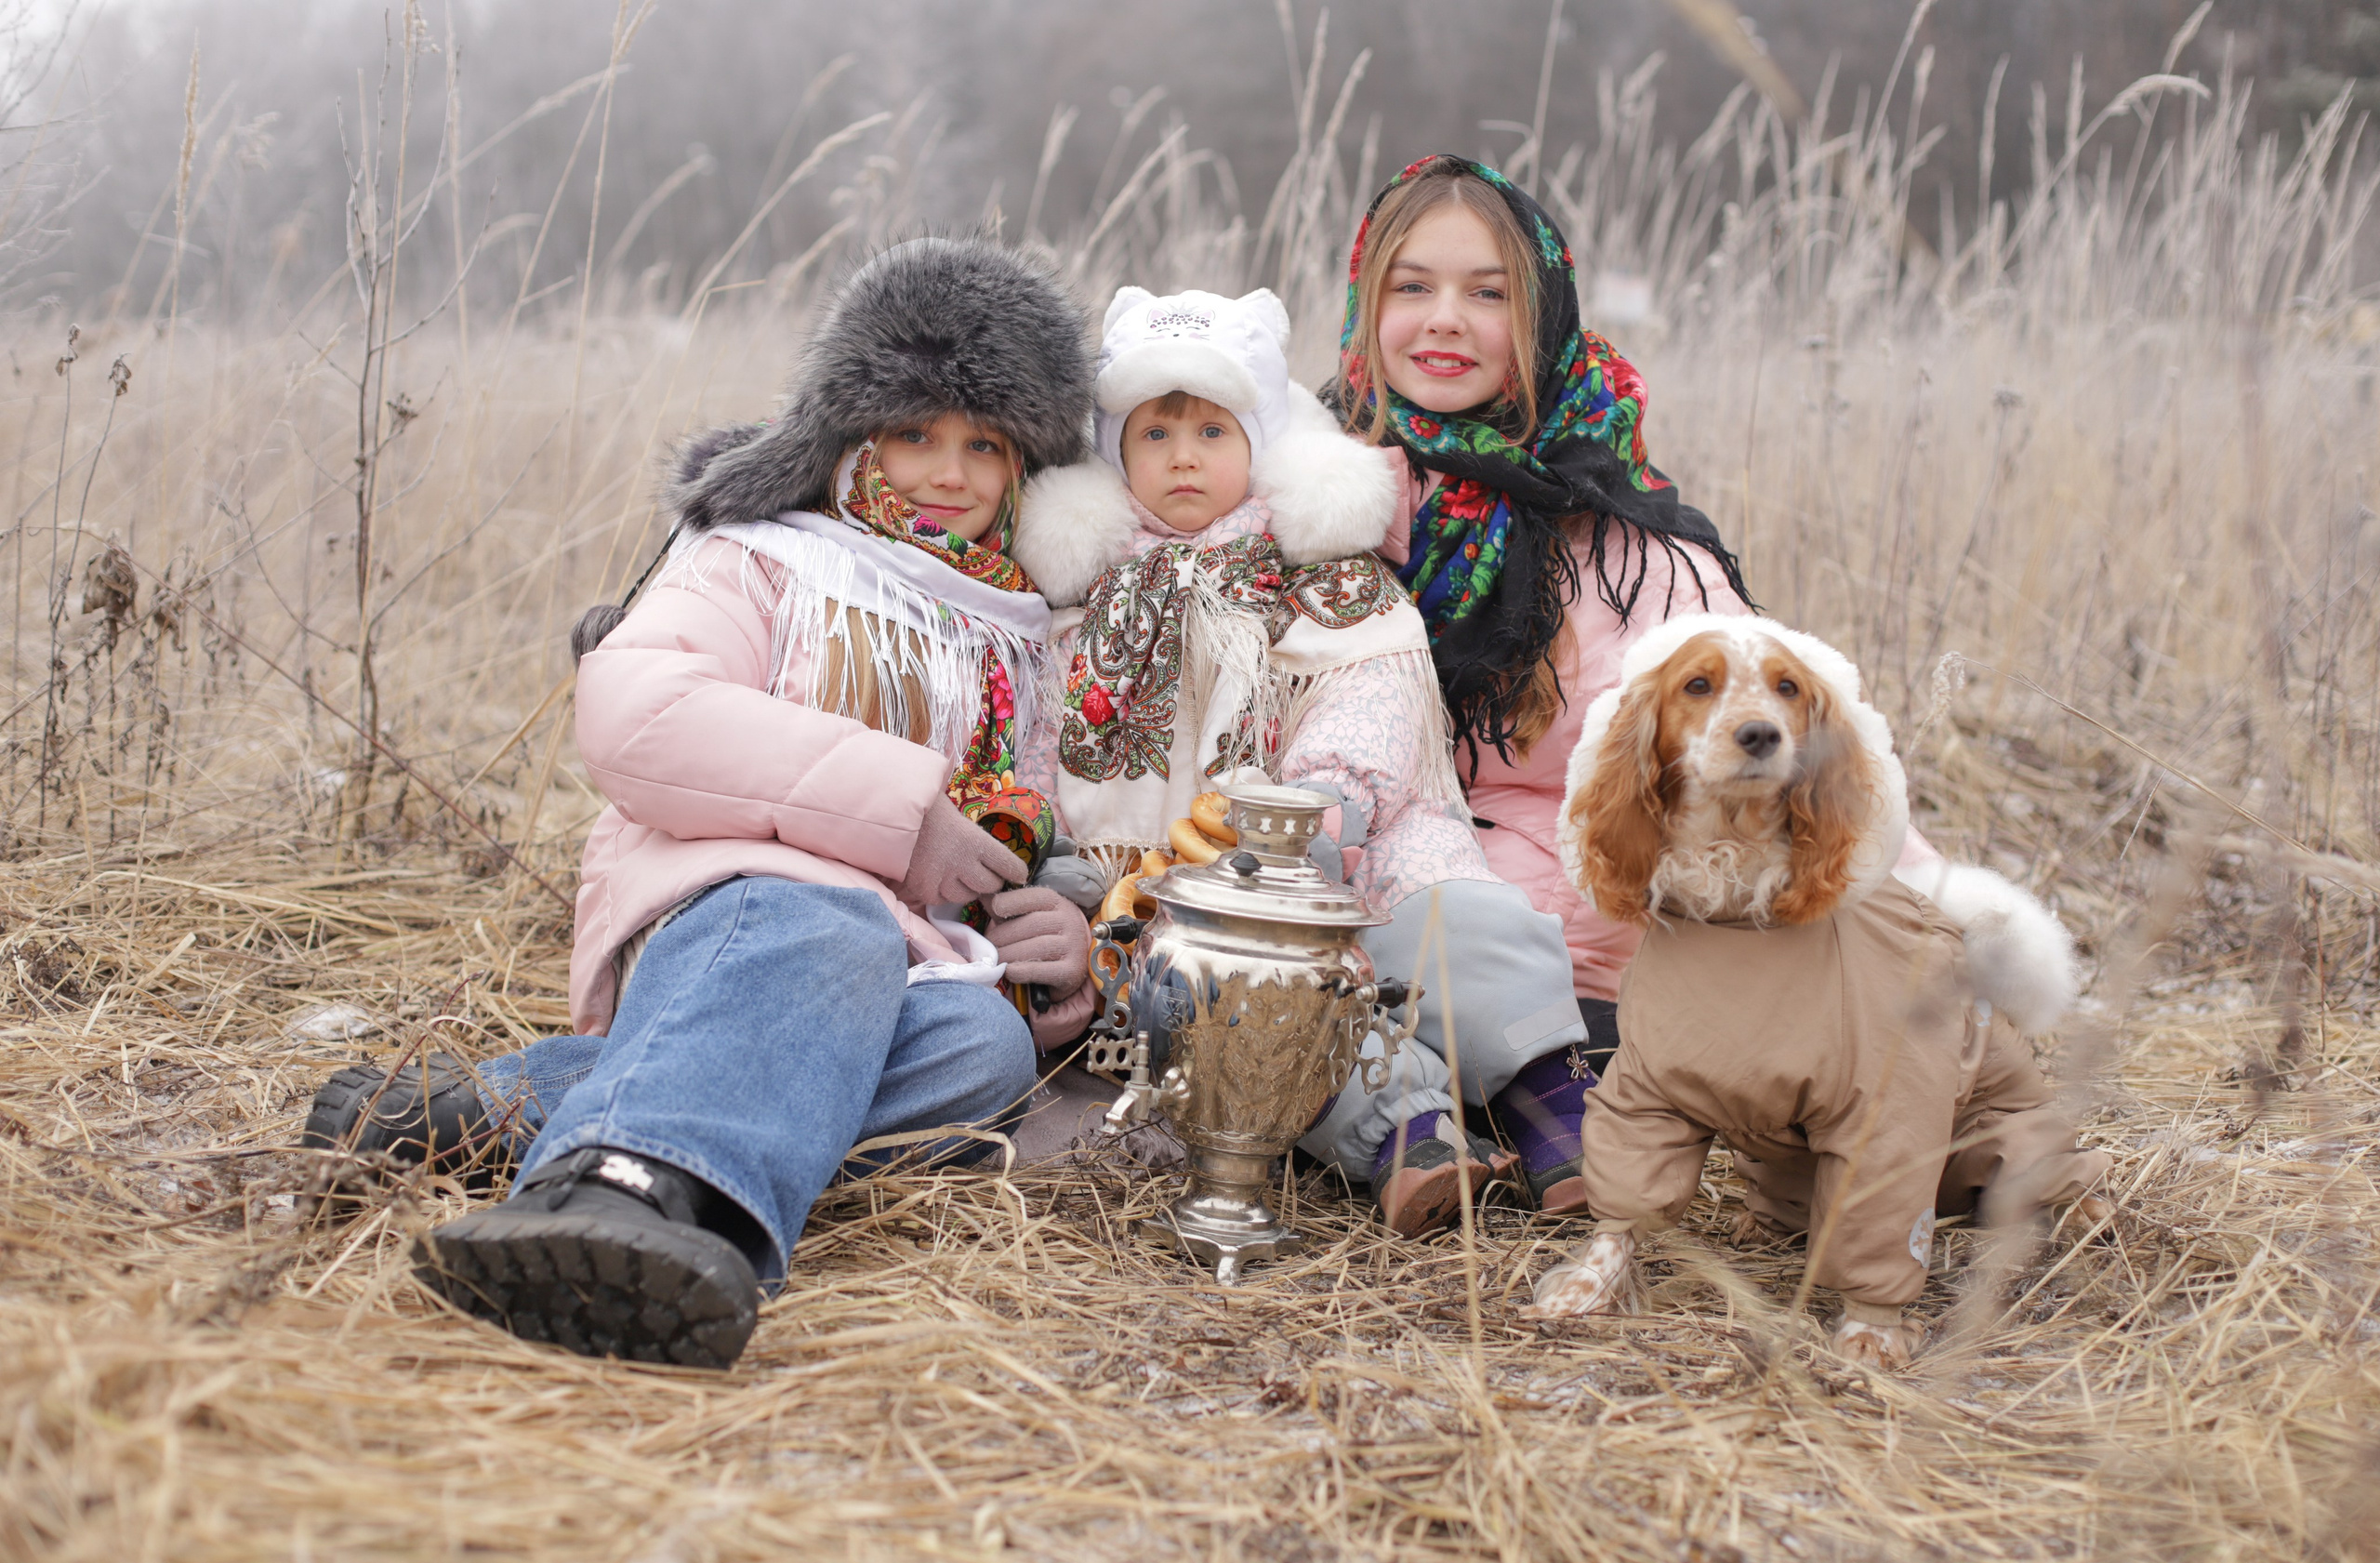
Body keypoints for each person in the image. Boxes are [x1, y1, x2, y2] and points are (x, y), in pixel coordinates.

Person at [300, 238, 1099, 1370]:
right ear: (847, 432)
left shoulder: (1020, 634)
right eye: (914, 432)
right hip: (730, 908)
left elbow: (1033, 832)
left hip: (903, 963)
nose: (947, 471)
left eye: (984, 444)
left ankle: (496, 1111)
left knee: (979, 1055)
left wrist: (1051, 943)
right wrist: (900, 817)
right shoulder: (760, 556)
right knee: (821, 917)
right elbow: (636, 711)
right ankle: (621, 1193)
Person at [1011, 285, 1598, 1236]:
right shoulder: (1088, 601)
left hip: (1343, 837)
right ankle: (1402, 1137)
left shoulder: (1325, 572)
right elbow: (1047, 730)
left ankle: (1559, 1115)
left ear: (1258, 441)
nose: (1185, 457)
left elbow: (1375, 691)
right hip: (1183, 875)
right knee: (1219, 986)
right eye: (1154, 437)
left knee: (1455, 932)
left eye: (1211, 431)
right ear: (1115, 453)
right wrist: (1053, 842)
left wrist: (1323, 809)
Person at [1326, 155, 1769, 1214]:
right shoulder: (1308, 495)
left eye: (1488, 293)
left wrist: (1920, 919)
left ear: (1545, 313)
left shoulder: (1627, 541)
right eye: (1411, 286)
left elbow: (1758, 742)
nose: (1445, 321)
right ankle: (1425, 1132)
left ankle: (1544, 1105)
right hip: (1358, 918)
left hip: (1573, 959)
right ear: (1364, 301)